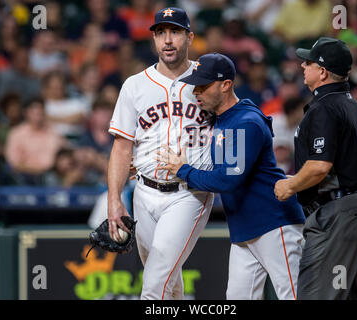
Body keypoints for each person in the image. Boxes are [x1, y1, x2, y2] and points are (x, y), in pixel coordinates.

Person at [157, 53, 305, 300]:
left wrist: (183, 170)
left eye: (204, 85)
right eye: (196, 85)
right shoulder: (225, 118)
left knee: (294, 296)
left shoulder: (245, 122)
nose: (197, 92)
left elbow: (227, 180)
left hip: (274, 222)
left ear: (226, 85)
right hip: (245, 229)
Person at [107, 7, 215, 300]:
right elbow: (121, 147)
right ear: (153, 39)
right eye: (160, 33)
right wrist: (115, 200)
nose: (167, 40)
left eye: (175, 32)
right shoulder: (134, 85)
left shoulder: (208, 78)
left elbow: (236, 125)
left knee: (155, 283)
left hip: (189, 193)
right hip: (143, 193)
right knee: (168, 280)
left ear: (190, 37)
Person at [274, 37, 357, 300]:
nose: (303, 66)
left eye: (310, 62)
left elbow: (319, 166)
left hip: (339, 214)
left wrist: (290, 185)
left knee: (320, 296)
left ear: (323, 72)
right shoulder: (352, 105)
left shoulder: (325, 107)